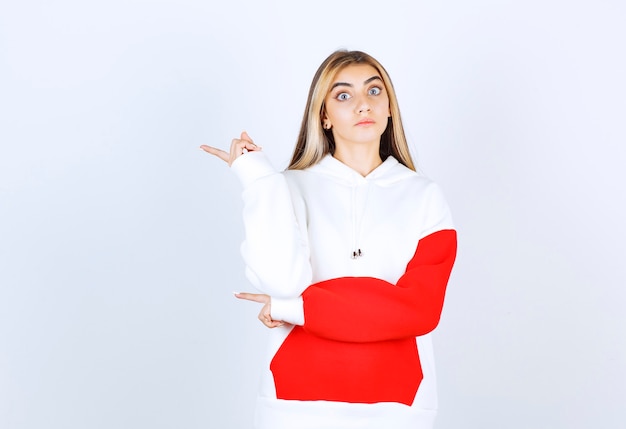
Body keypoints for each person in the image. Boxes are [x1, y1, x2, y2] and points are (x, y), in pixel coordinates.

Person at [201, 50, 457, 429]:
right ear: (323, 115)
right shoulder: (286, 189)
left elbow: (420, 310)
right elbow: (281, 282)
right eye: (343, 95)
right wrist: (259, 182)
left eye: (374, 91)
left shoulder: (425, 196)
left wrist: (294, 309)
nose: (361, 105)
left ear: (389, 109)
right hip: (295, 402)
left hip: (400, 405)